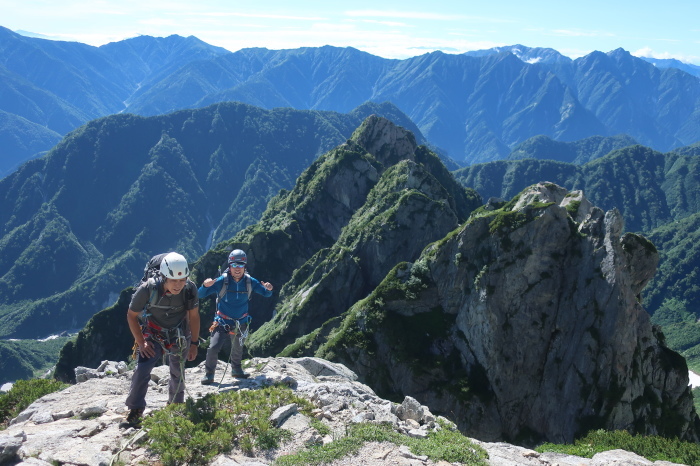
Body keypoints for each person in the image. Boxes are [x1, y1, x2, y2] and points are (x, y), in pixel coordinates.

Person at [121, 252, 200, 429]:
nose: (178, 285)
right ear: (164, 276)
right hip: (153, 332)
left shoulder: (190, 289)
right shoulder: (148, 289)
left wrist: (194, 343)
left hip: (179, 333)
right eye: (173, 280)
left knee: (178, 371)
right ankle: (135, 409)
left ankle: (175, 407)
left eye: (182, 280)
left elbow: (194, 317)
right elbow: (131, 315)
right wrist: (141, 343)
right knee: (142, 369)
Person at [198, 249, 273, 384]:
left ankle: (236, 370)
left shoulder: (250, 282)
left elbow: (266, 294)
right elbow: (200, 295)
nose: (237, 269)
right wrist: (204, 286)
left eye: (240, 265)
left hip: (241, 321)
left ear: (245, 266)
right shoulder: (222, 281)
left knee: (238, 347)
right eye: (234, 265)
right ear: (229, 266)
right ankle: (209, 373)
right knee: (214, 347)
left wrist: (268, 289)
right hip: (222, 321)